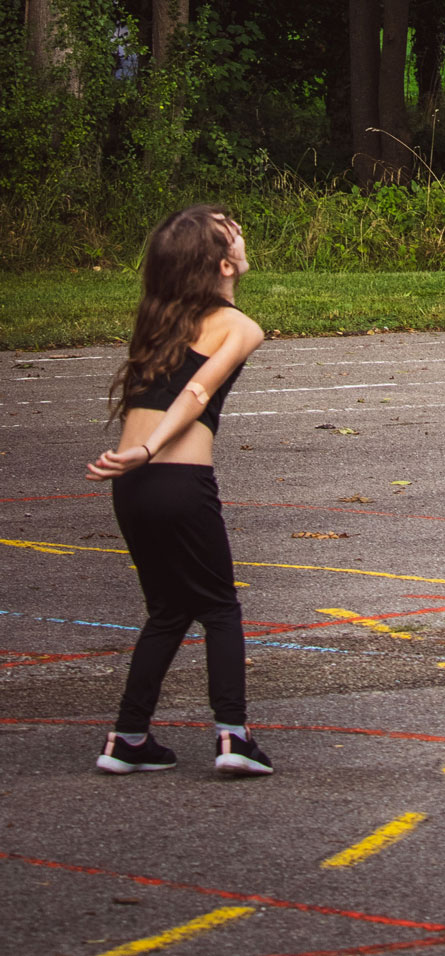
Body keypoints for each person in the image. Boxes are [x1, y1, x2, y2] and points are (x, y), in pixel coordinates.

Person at [87, 205, 273, 777]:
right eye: (231, 235)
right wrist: (149, 449)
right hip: (174, 479)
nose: (242, 235)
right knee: (219, 607)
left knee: (168, 609)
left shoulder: (162, 319)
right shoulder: (239, 327)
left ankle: (128, 738)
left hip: (134, 488)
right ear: (223, 265)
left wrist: (138, 457)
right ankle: (233, 736)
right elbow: (195, 394)